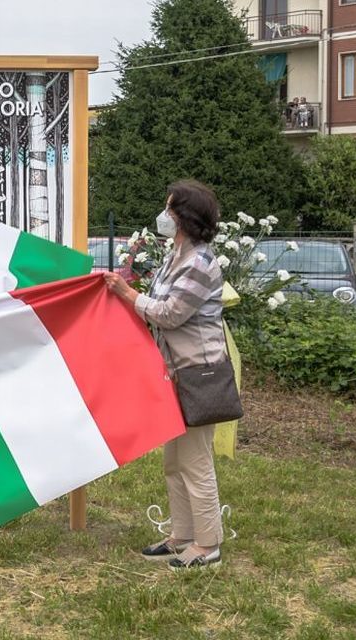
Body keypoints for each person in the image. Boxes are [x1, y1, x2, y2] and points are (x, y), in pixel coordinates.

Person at [104, 179, 228, 569]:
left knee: (195, 459)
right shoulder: (177, 255)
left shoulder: (201, 263)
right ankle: (182, 535)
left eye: (170, 209)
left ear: (185, 218)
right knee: (174, 459)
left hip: (198, 372)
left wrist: (126, 294)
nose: (163, 215)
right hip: (173, 370)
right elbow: (157, 301)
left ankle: (208, 545)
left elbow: (171, 313)